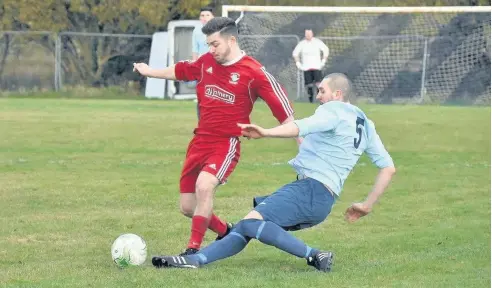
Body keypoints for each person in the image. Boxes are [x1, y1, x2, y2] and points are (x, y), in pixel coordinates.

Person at [151, 73, 396, 272]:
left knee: (250, 223)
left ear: (338, 94)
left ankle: (315, 255)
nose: (319, 96)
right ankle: (196, 261)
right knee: (246, 226)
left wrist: (266, 132)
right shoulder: (366, 123)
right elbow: (388, 167)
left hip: (310, 190)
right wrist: (367, 204)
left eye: (322, 91)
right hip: (322, 199)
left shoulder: (333, 110)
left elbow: (302, 126)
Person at [133, 17, 295, 256]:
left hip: (226, 143)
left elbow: (285, 112)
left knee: (204, 185)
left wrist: (299, 134)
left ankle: (193, 250)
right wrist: (150, 72)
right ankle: (225, 231)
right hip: (199, 142)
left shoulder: (254, 72)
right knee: (188, 207)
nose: (211, 49)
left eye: (215, 44)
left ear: (232, 40)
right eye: (208, 44)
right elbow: (181, 70)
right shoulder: (206, 61)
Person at [292, 29, 329, 103]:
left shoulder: (317, 42)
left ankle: (321, 100)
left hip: (317, 67)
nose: (308, 35)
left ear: (312, 34)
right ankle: (311, 101)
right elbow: (295, 54)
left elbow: (326, 50)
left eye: (309, 34)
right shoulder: (302, 44)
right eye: (307, 34)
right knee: (309, 85)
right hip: (306, 68)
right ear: (305, 35)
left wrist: (323, 60)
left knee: (319, 84)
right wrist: (298, 63)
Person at [191, 7, 215, 115]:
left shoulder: (218, 31)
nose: (205, 18)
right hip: (202, 67)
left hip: (216, 67)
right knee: (201, 96)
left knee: (215, 95)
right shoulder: (196, 31)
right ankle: (202, 122)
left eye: (207, 15)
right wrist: (194, 66)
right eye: (202, 15)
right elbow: (195, 49)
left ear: (213, 17)